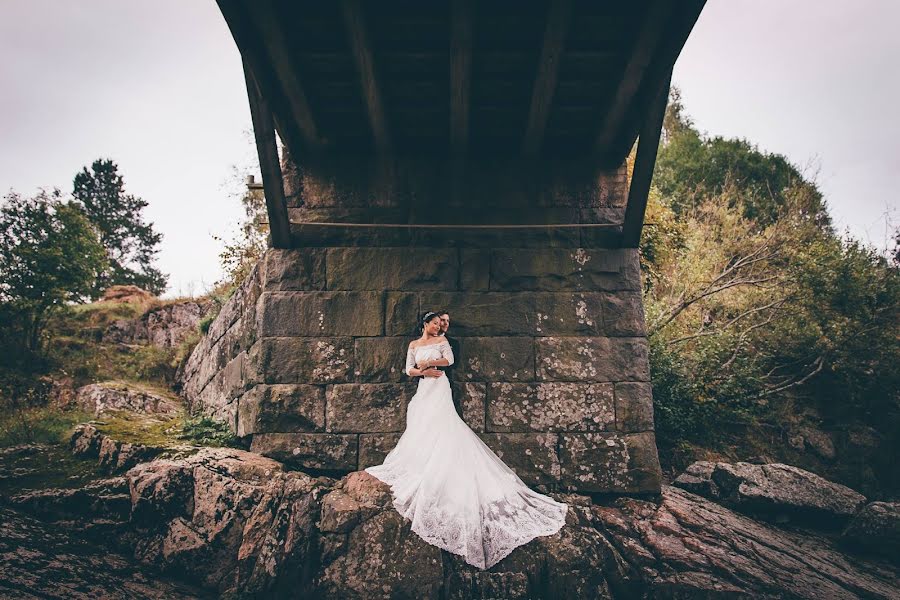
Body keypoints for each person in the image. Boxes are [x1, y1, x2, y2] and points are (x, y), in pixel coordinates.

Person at [365, 311, 568, 570]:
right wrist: (423, 370)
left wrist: (434, 361)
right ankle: (422, 460)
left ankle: (442, 460)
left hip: (439, 387)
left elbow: (448, 360)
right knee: (421, 423)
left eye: (441, 324)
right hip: (425, 385)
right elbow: (408, 369)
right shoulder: (414, 345)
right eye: (435, 323)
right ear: (425, 324)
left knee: (443, 423)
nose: (438, 326)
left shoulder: (442, 341)